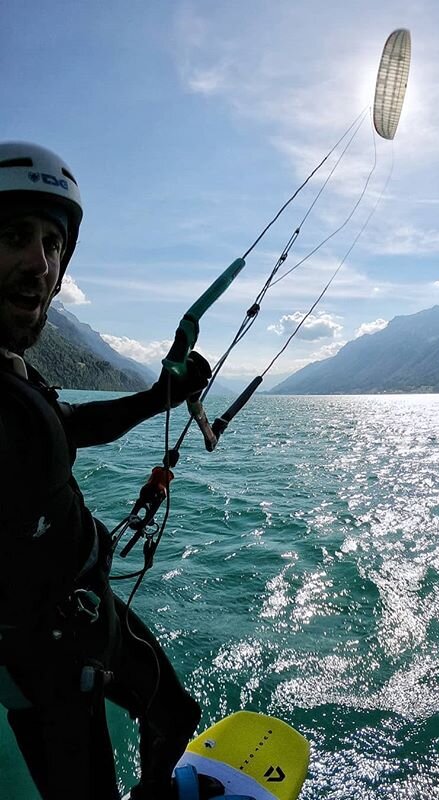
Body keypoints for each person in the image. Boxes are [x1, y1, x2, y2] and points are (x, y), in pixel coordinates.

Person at [0, 142, 212, 800]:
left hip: (88, 611)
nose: (40, 264)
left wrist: (159, 396)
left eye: (53, 243)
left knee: (175, 715)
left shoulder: (14, 370)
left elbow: (69, 429)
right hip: (44, 658)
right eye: (14, 237)